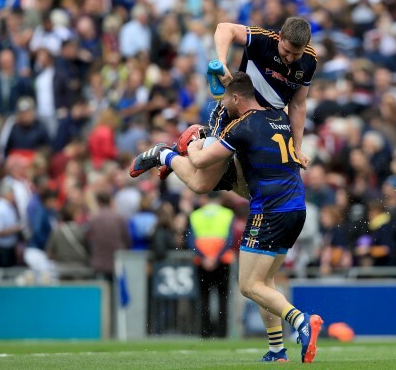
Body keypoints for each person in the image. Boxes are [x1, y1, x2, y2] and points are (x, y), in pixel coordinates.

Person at [135, 73, 322, 362]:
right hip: (296, 208)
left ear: (236, 98)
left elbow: (198, 163)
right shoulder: (279, 115)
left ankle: (301, 322)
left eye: (225, 99)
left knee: (250, 286)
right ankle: (276, 350)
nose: (223, 105)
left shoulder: (240, 127)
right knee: (266, 283)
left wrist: (194, 144)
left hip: (269, 211)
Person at [153, 17, 317, 189]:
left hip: (264, 126)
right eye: (286, 51)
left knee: (260, 188)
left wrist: (297, 148)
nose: (290, 58)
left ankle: (220, 168)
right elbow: (224, 28)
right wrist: (222, 62)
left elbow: (298, 105)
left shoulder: (309, 61)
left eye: (296, 54)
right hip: (234, 113)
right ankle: (168, 152)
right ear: (280, 35)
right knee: (201, 185)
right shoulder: (264, 40)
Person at [186, 192, 235, 338]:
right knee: (223, 298)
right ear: (219, 199)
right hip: (222, 261)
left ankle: (205, 332)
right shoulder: (227, 214)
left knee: (204, 298)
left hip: (202, 262)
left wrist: (205, 257)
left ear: (205, 198)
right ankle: (222, 333)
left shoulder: (195, 215)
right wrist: (216, 257)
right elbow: (230, 240)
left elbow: (191, 241)